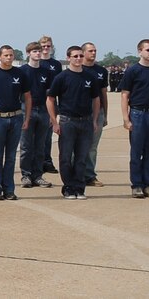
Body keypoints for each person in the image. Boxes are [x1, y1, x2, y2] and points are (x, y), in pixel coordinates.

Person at [47, 46, 101, 200]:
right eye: (75, 56)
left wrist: (95, 120)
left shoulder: (90, 77)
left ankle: (79, 187)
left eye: (80, 56)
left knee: (81, 157)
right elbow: (50, 99)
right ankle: (68, 187)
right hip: (67, 121)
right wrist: (54, 122)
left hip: (86, 122)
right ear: (68, 57)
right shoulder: (61, 77)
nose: (78, 59)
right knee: (65, 157)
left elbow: (96, 99)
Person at [0, 45, 31, 201]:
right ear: (0, 56)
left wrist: (26, 118)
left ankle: (9, 189)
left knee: (10, 157)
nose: (9, 58)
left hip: (16, 118)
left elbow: (28, 97)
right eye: (6, 55)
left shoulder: (20, 74)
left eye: (11, 55)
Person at [120, 39, 149, 199]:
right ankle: (137, 185)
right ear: (140, 51)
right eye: (148, 50)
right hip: (138, 114)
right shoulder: (133, 71)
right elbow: (125, 94)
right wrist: (126, 118)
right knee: (136, 152)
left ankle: (148, 185)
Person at [18, 42, 54, 189]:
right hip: (26, 109)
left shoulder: (46, 72)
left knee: (40, 145)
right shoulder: (22, 71)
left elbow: (50, 96)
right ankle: (26, 175)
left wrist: (52, 115)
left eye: (39, 51)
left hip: (43, 110)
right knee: (26, 145)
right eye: (34, 51)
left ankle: (37, 175)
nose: (38, 53)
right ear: (28, 54)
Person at [81, 43, 109, 188]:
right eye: (90, 51)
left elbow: (103, 93)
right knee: (77, 145)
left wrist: (105, 115)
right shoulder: (78, 69)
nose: (93, 53)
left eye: (95, 51)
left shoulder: (101, 71)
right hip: (80, 112)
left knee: (92, 146)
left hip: (97, 112)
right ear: (83, 52)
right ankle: (76, 174)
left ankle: (90, 175)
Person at [39, 36, 63, 175]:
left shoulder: (56, 64)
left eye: (48, 46)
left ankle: (47, 161)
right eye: (43, 46)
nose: (46, 48)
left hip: (51, 104)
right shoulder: (36, 62)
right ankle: (35, 162)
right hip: (37, 103)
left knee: (47, 136)